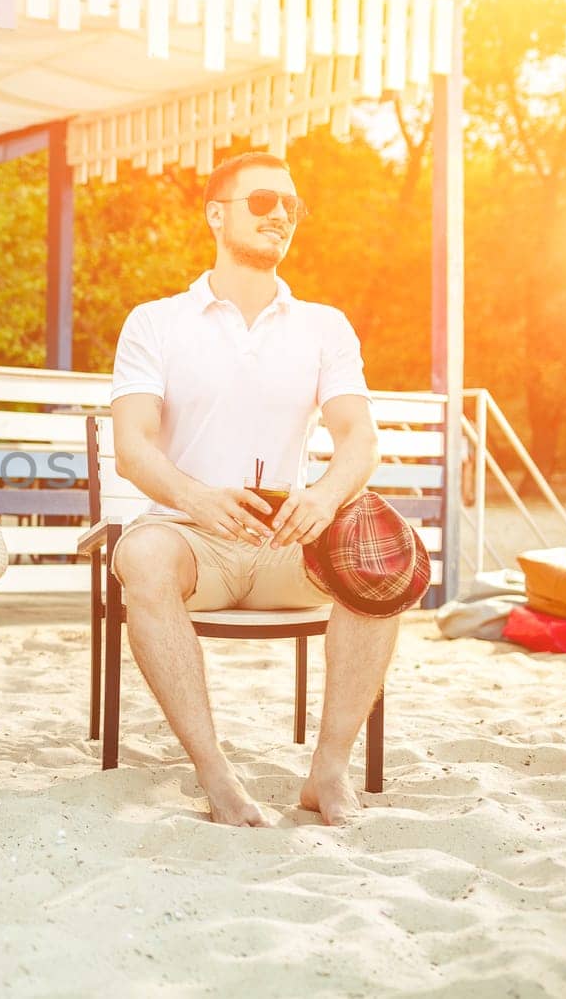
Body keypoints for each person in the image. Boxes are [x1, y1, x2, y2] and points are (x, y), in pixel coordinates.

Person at [109, 151, 410, 827]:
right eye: (264, 201)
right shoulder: (155, 322)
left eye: (291, 206)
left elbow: (359, 437)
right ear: (218, 214)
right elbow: (131, 447)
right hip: (191, 539)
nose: (282, 215)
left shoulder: (323, 325)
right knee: (144, 558)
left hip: (286, 541)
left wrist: (325, 498)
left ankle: (327, 772)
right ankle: (215, 776)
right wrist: (196, 499)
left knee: (382, 559)